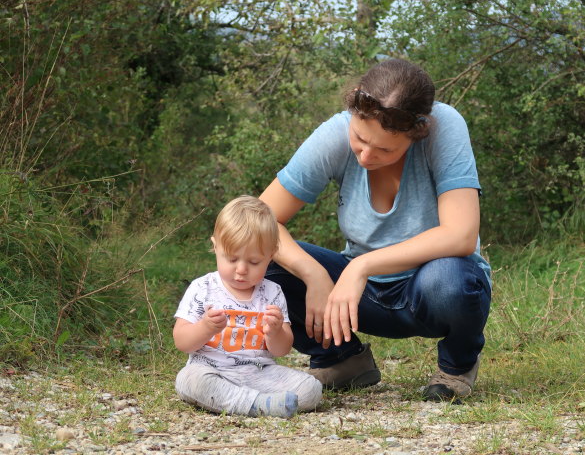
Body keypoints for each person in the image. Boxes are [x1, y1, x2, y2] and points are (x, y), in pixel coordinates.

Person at [259, 58, 492, 402]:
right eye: (359, 138)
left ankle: (456, 368)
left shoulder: (445, 126)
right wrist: (314, 275)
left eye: (385, 148)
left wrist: (362, 265)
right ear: (352, 106)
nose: (366, 155)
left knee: (453, 279)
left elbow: (460, 235)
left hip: (429, 289)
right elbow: (260, 220)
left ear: (417, 131)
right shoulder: (335, 133)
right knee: (260, 261)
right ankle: (342, 360)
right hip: (361, 299)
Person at [173, 195, 323, 418]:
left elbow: (281, 350)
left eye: (254, 262)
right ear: (216, 247)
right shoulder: (203, 287)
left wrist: (275, 332)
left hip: (260, 373)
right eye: (232, 259)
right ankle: (258, 404)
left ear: (270, 257)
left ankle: (251, 401)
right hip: (212, 370)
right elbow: (181, 341)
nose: (241, 269)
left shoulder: (272, 292)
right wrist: (205, 327)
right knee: (190, 380)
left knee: (311, 388)